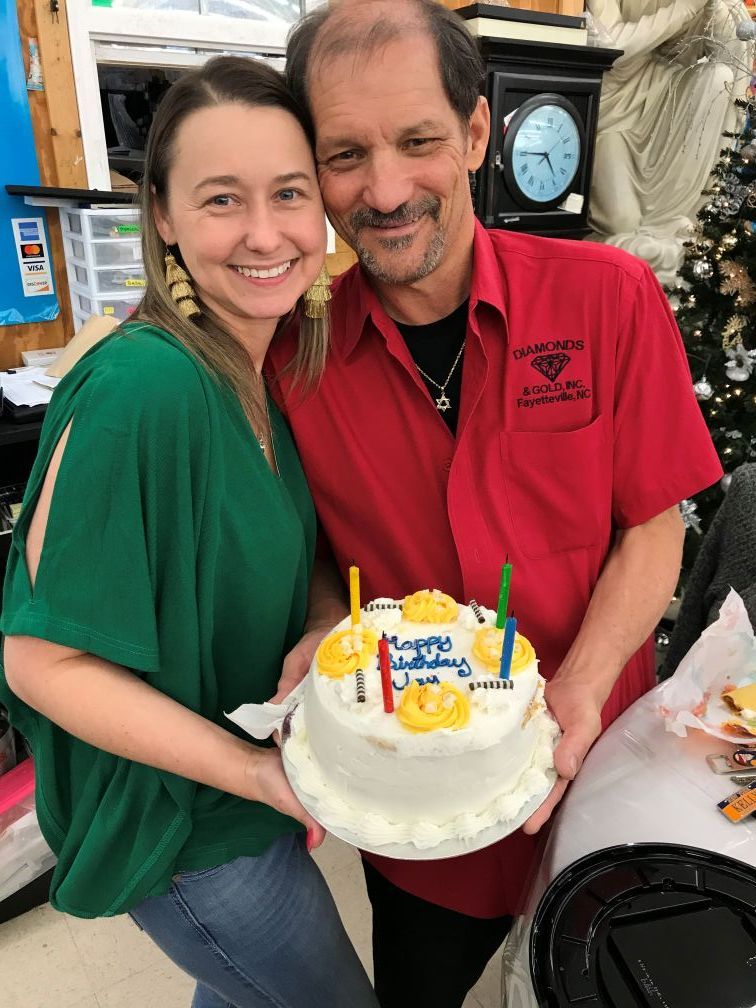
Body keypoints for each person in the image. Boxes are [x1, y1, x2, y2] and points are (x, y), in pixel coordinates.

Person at [266, 2, 724, 1006]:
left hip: (603, 772)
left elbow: (653, 527)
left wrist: (581, 686)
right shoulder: (291, 361)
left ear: (476, 133)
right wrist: (320, 627)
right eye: (346, 154)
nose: (386, 191)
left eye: (419, 141)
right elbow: (313, 554)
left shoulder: (609, 298)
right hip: (422, 816)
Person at [0, 56, 378, 1008]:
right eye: (221, 200)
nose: (265, 233)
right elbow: (41, 662)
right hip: (181, 826)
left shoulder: (262, 362)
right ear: (161, 215)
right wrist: (256, 773)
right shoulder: (144, 388)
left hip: (241, 789)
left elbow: (294, 556)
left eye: (289, 194)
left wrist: (327, 621)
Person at [587, 0, 750, 284]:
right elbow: (612, 46)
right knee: (620, 222)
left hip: (665, 101)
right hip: (612, 114)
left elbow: (734, 55)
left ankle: (670, 226)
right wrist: (685, 9)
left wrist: (716, 10)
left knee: (718, 78)